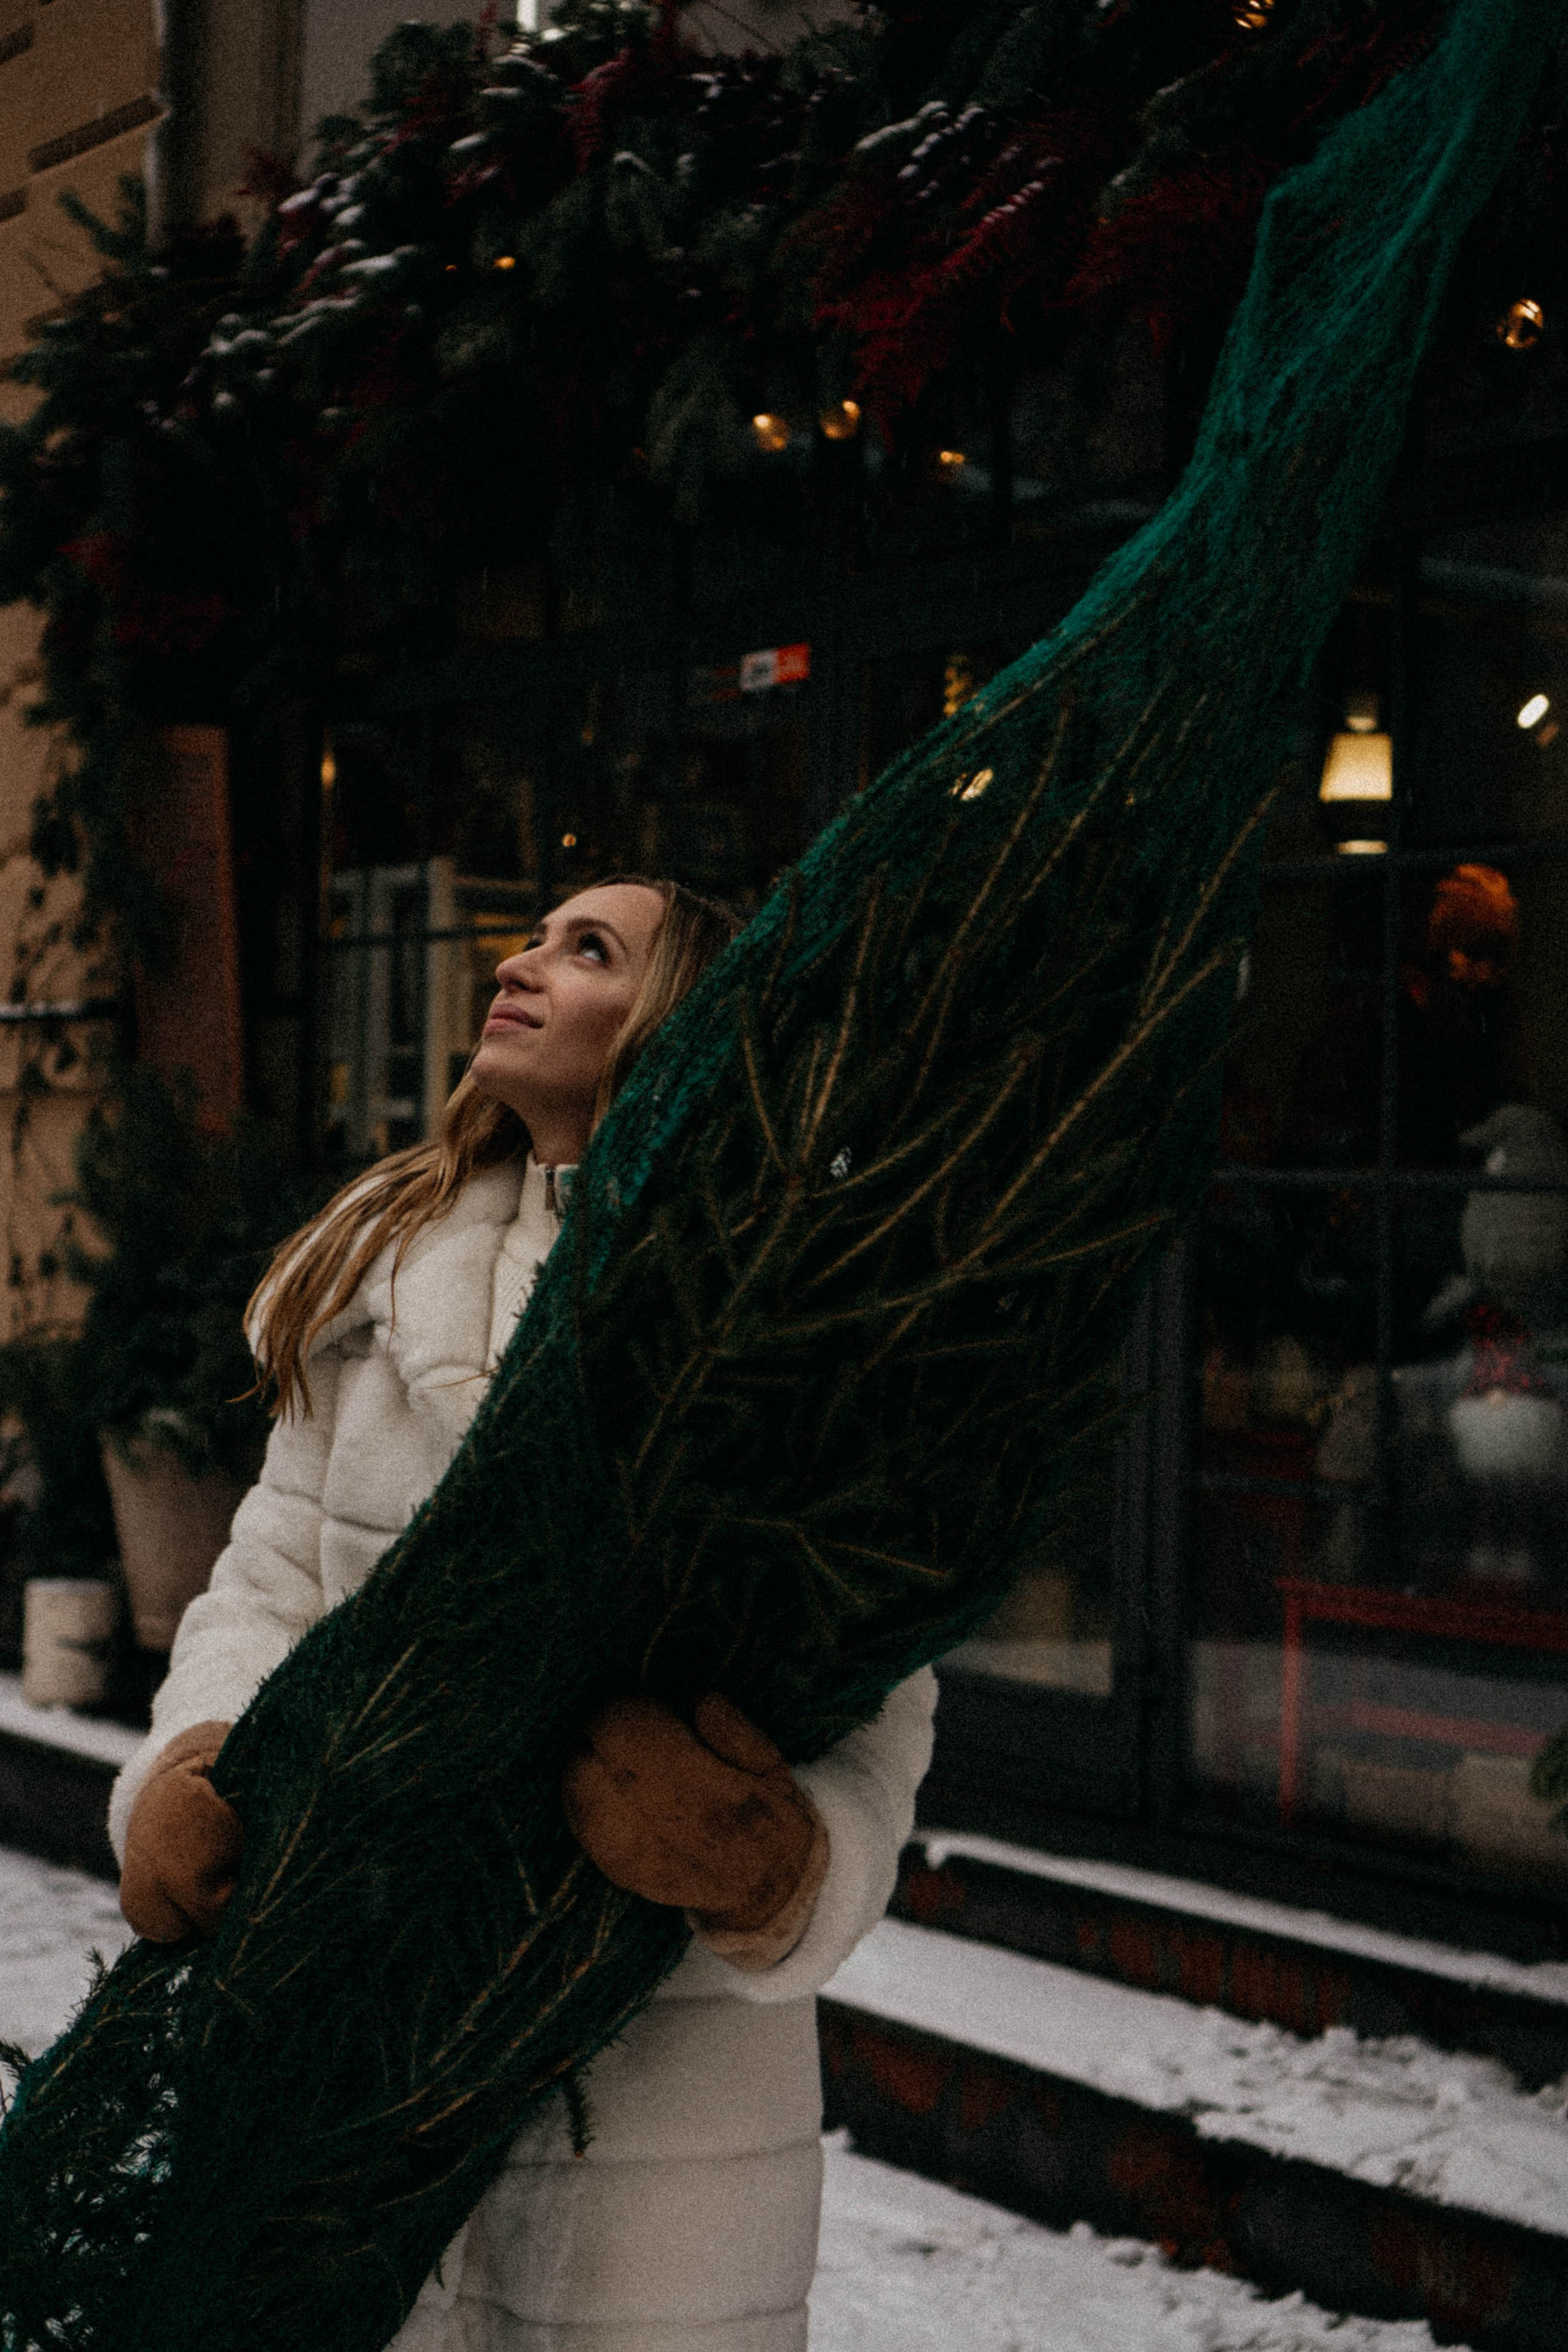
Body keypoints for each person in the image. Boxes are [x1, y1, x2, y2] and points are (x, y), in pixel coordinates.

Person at [107, 874, 938, 2352]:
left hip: (663, 2069)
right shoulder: (378, 1276)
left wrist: (773, 1864)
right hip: (363, 1999)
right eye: (538, 934)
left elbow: (878, 1696)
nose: (521, 959)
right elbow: (267, 1578)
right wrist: (195, 1762)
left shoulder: (781, 1321)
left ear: (682, 1021)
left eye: (589, 949)